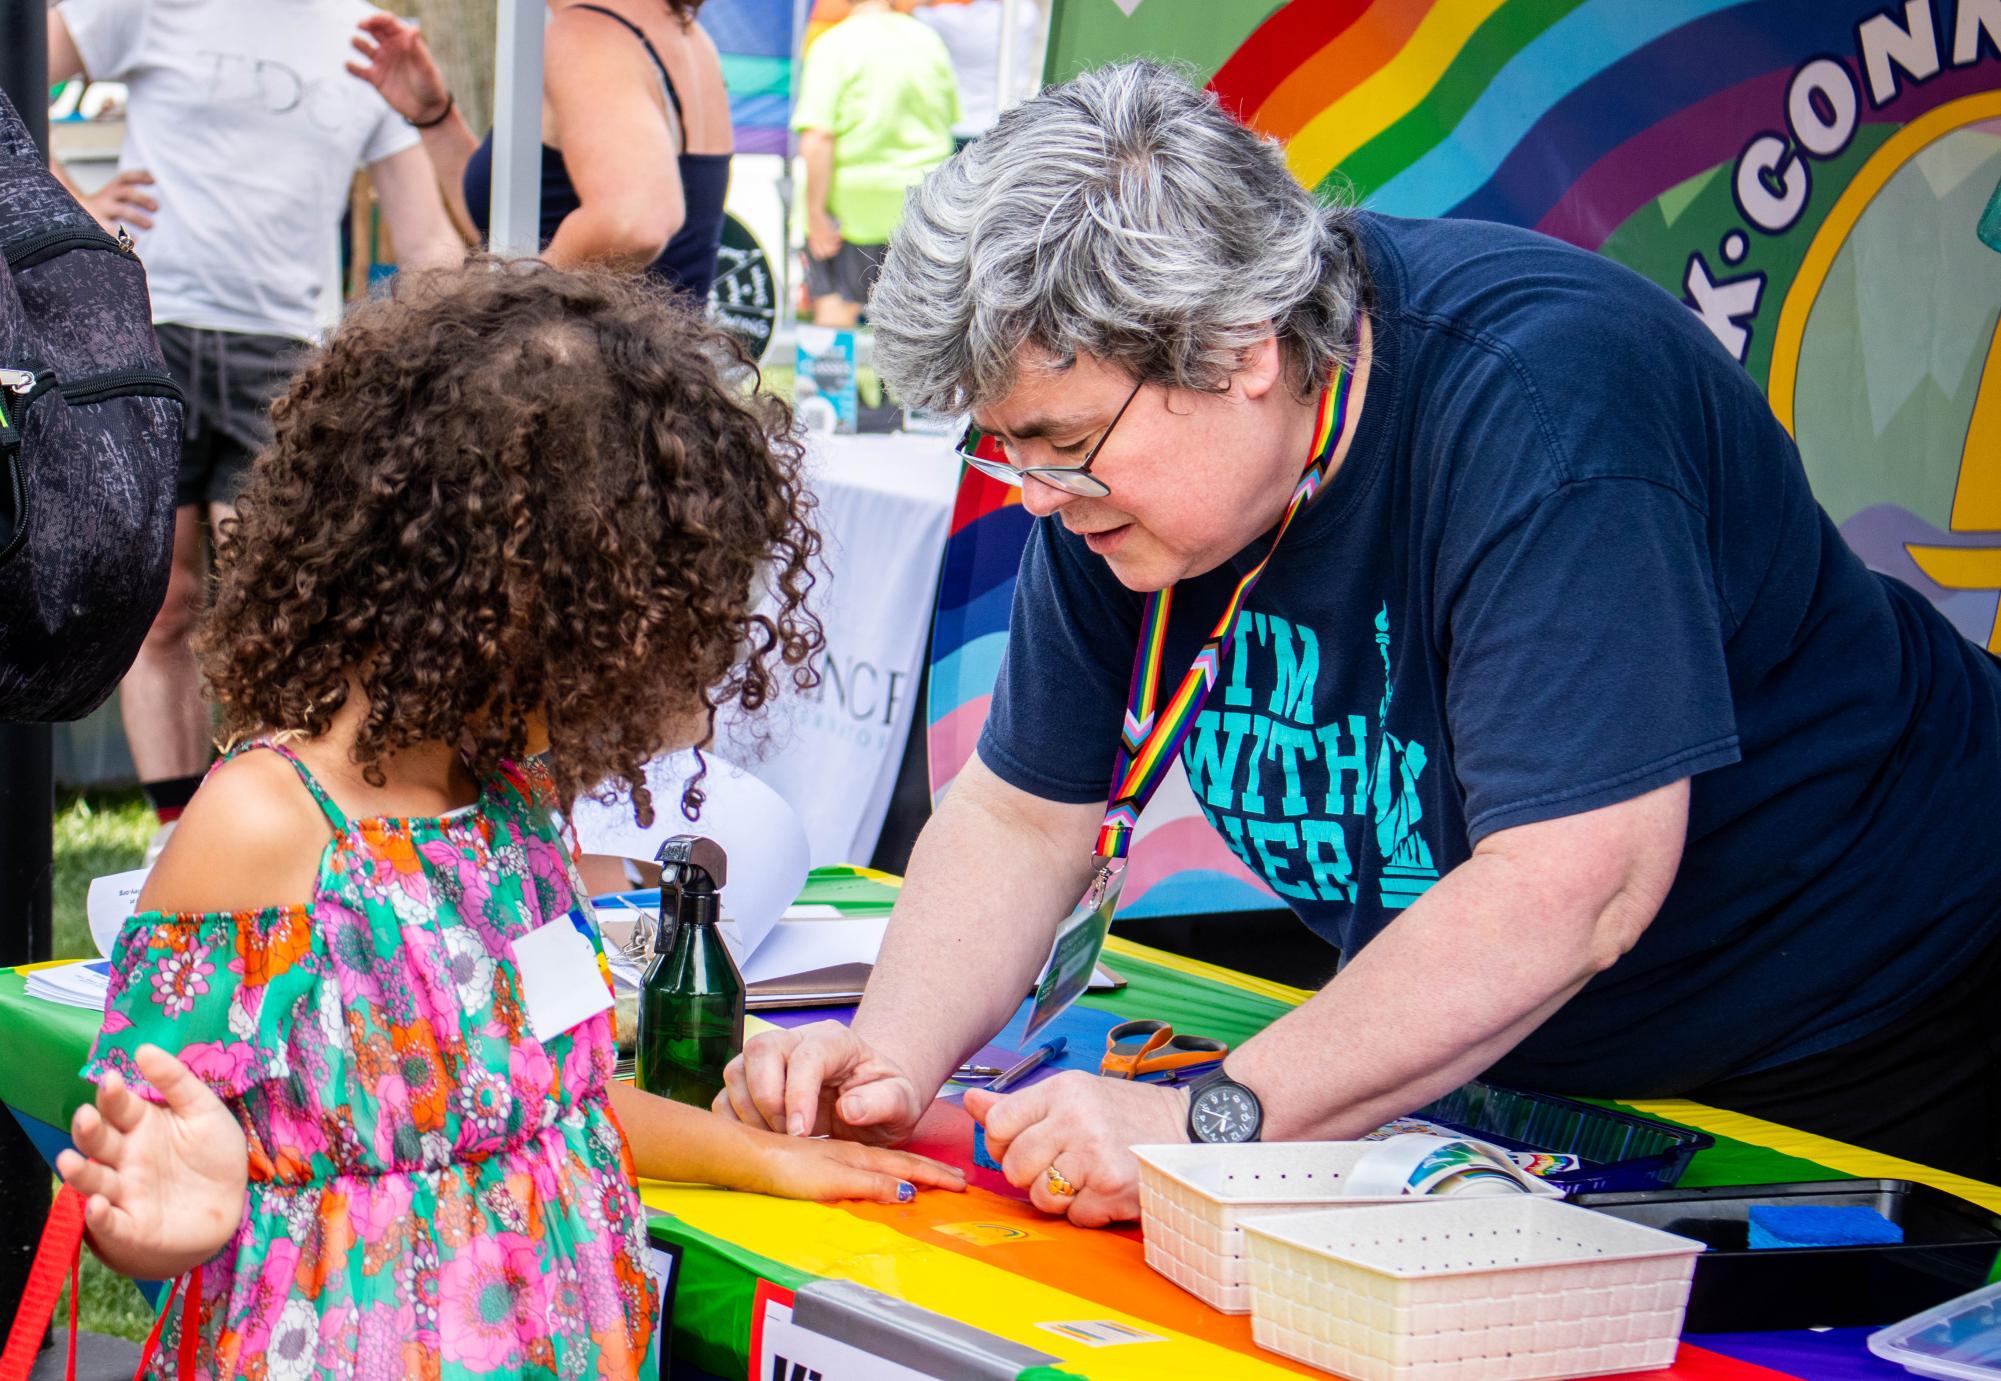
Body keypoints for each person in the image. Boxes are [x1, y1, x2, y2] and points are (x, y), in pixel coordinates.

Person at [716, 62, 2001, 1224]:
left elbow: (1577, 882)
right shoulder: (1128, 463)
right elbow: (1021, 818)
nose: (1040, 493)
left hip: (1867, 1027)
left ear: (1245, 348)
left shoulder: (1544, 408)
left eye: (1063, 442)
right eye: (1010, 446)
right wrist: (884, 1062)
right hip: (1520, 1061)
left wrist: (1209, 1119)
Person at [53, 262, 963, 1374]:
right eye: (638, 622)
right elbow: (145, 1171)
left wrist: (753, 1157)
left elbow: (558, 1102)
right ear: (519, 601)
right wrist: (158, 1232)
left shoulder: (510, 809)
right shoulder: (264, 826)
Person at [46, 0, 464, 857]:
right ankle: (177, 835)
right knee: (159, 609)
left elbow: (428, 244)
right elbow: (12, 83)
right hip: (142, 328)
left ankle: (266, 830)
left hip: (284, 357)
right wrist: (74, 206)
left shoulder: (371, 39)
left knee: (271, 614)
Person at [346, 0, 733, 300]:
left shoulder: (585, 34)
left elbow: (634, 222)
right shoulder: (682, 35)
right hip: (653, 387)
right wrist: (435, 118)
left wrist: (506, 305)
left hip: (587, 387)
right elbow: (520, 232)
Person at [791, 0, 958, 327]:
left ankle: (831, 380)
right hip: (921, 206)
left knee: (835, 316)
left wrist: (815, 215)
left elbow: (818, 138)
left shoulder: (834, 44)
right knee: (916, 323)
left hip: (851, 208)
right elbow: (948, 119)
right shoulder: (928, 41)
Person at [913, 0, 1042, 147]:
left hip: (960, 127)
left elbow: (911, 7)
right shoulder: (1025, 14)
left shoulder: (946, 19)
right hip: (1008, 126)